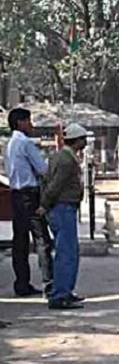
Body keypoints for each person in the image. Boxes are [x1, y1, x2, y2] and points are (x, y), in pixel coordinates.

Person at [4, 108, 53, 297]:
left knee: (20, 241)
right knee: (42, 240)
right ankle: (49, 283)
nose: (31, 125)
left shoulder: (11, 144)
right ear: (20, 123)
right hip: (29, 195)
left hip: (16, 194)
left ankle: (22, 283)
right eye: (28, 121)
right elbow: (42, 169)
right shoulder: (25, 143)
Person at [39, 123, 87, 310]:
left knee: (67, 251)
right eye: (83, 139)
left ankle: (65, 290)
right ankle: (60, 295)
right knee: (66, 252)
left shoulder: (60, 156)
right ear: (77, 140)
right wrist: (45, 204)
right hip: (63, 207)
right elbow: (55, 185)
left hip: (62, 207)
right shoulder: (67, 160)